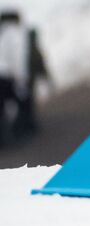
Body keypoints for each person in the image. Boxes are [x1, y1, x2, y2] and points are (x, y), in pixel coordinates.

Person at [12, 25, 50, 139]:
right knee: (26, 105)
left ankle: (27, 126)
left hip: (25, 81)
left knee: (25, 105)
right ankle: (26, 126)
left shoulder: (25, 49)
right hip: (26, 82)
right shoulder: (28, 50)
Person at [0, 11, 23, 146]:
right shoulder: (13, 34)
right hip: (5, 77)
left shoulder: (2, 33)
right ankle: (13, 134)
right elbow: (16, 58)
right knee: (14, 105)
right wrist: (19, 77)